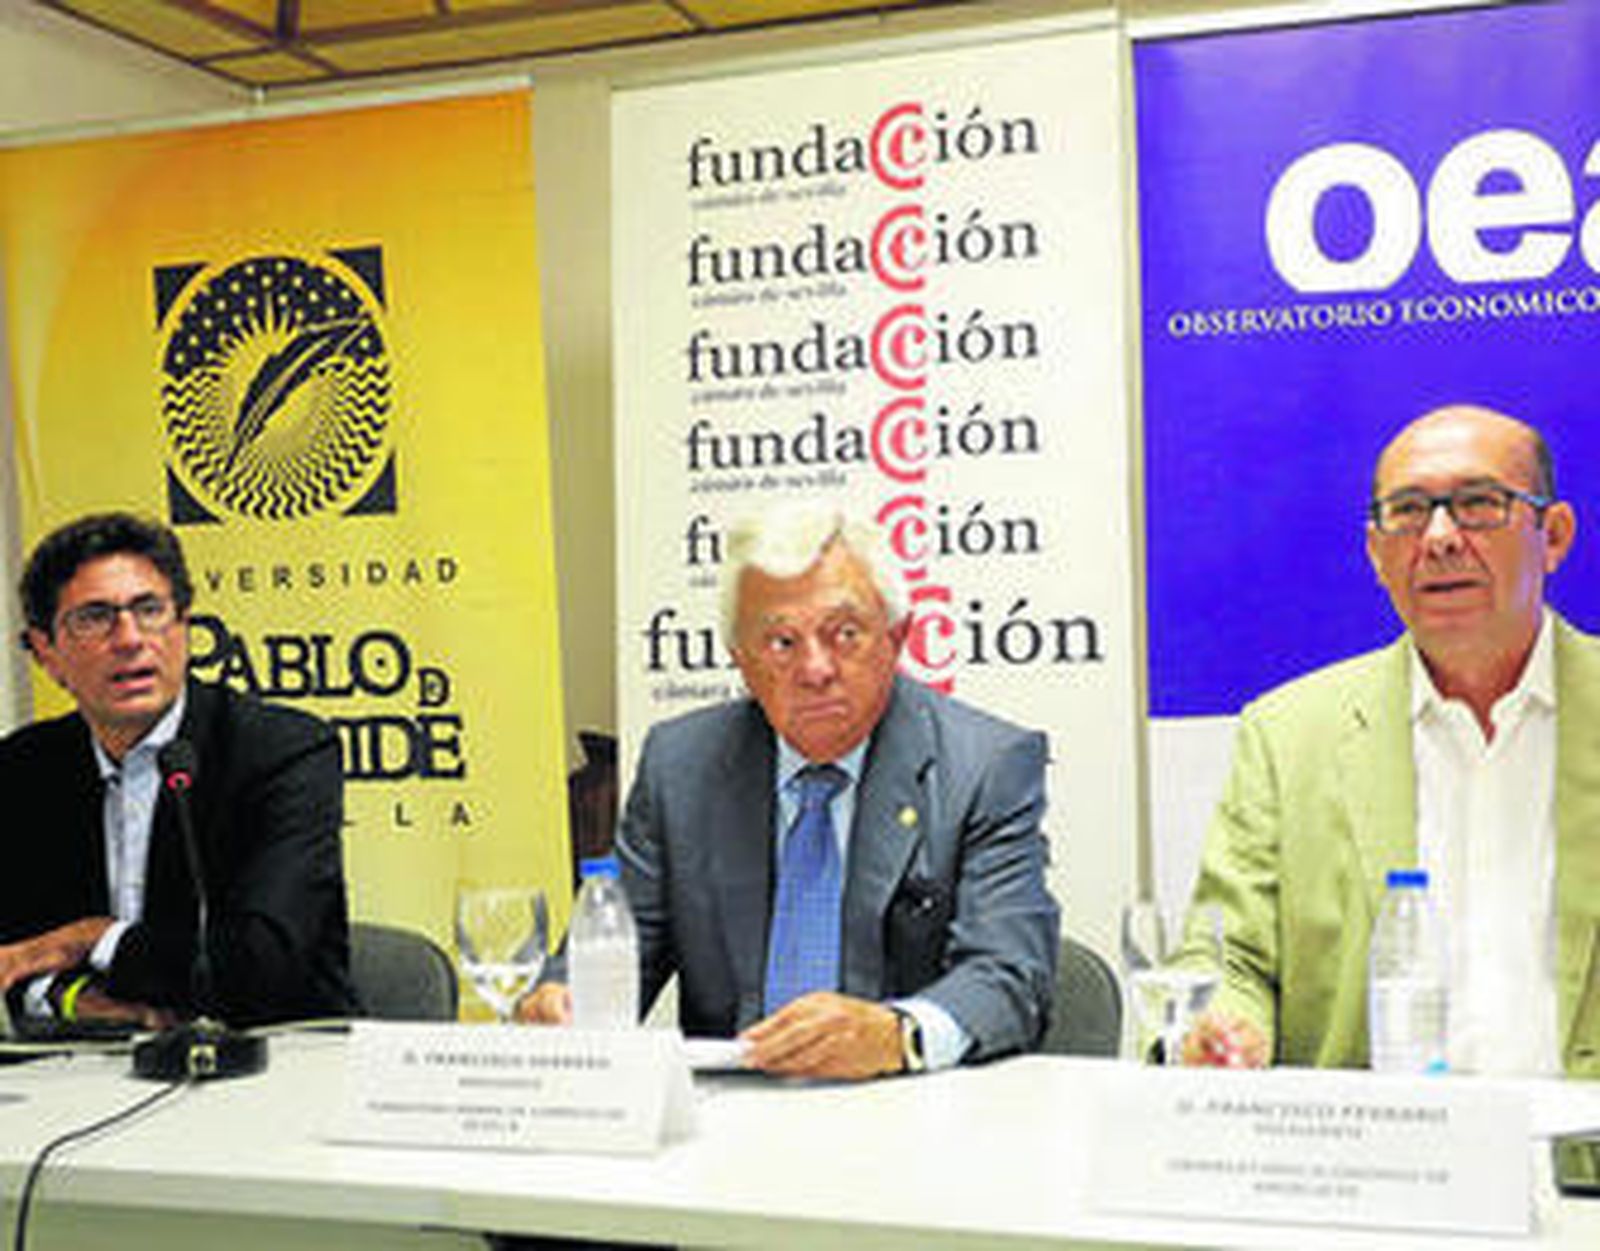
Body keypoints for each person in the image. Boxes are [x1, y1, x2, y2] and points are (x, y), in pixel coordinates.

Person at [521, 504, 1059, 1079]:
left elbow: (1008, 974)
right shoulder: (680, 767)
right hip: (726, 1123)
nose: (815, 668)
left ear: (897, 637)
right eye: (781, 642)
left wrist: (899, 1035)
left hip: (907, 1115)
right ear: (740, 660)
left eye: (845, 634)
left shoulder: (985, 766)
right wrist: (561, 999)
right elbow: (618, 949)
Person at [1180, 403, 1598, 1076]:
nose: (1438, 537)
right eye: (1407, 511)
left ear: (1553, 535)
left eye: (1478, 503)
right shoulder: (1290, 734)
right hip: (1375, 1160)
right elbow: (1228, 958)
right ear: (1376, 553)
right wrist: (1227, 1029)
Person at [0, 512, 354, 1030]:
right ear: (46, 652)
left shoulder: (281, 752)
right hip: (91, 1074)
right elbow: (14, 952)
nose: (129, 638)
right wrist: (75, 999)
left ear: (184, 627)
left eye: (149, 610)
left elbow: (261, 966)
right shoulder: (23, 770)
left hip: (276, 1065)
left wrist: (91, 939)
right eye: (95, 617)